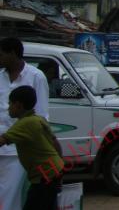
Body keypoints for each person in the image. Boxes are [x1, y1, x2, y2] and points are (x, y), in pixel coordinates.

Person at [0, 38, 50, 210]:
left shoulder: (36, 76)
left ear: (12, 53)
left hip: (18, 150)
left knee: (10, 195)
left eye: (2, 54)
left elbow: (42, 117)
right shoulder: (0, 77)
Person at [0, 86, 63, 210]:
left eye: (10, 104)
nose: (8, 108)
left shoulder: (23, 124)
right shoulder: (38, 119)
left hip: (44, 175)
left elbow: (2, 141)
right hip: (54, 170)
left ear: (18, 105)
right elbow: (55, 143)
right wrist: (60, 165)